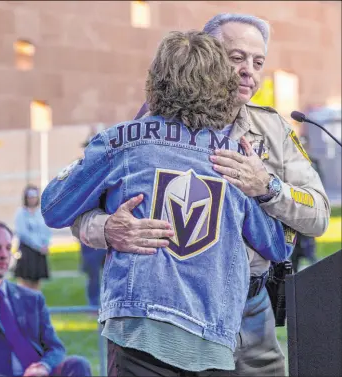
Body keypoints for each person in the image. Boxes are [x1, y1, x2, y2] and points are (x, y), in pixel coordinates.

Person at [71, 13, 331, 376]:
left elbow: (318, 213)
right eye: (236, 58)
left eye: (258, 62)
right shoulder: (149, 128)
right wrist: (106, 229)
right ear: (205, 57)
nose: (248, 72)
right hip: (170, 313)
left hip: (251, 309)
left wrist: (267, 187)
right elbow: (77, 209)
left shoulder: (272, 128)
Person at [0, 222, 92, 377]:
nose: (3, 255)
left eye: (8, 248)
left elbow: (55, 348)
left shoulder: (32, 298)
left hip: (38, 373)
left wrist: (44, 366)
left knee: (78, 365)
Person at [14, 185, 52, 291]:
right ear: (26, 197)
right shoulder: (21, 213)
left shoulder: (41, 212)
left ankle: (35, 305)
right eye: (30, 196)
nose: (32, 199)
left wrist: (46, 244)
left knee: (37, 282)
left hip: (40, 252)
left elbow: (47, 230)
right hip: (27, 251)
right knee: (25, 282)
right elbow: (23, 233)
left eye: (34, 196)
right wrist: (39, 246)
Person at [79, 241, 107, 306]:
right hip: (91, 244)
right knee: (93, 277)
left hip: (111, 240)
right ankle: (93, 305)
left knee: (116, 275)